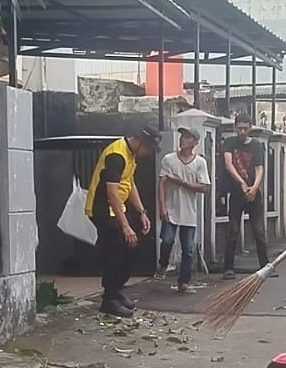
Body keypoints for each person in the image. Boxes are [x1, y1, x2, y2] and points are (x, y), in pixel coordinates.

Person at [85, 128, 158, 317]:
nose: (148, 153)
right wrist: (125, 226)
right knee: (115, 250)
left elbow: (129, 184)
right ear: (140, 142)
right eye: (148, 149)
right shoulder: (117, 155)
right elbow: (111, 193)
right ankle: (109, 299)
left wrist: (142, 212)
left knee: (132, 246)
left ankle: (116, 289)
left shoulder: (130, 154)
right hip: (102, 209)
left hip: (117, 209)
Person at [155, 128, 211, 293]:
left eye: (187, 137)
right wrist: (162, 206)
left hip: (189, 211)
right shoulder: (169, 159)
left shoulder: (199, 162)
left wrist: (182, 183)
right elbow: (162, 183)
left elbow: (204, 187)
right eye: (182, 136)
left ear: (195, 143)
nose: (183, 139)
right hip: (171, 208)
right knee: (167, 240)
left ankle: (183, 282)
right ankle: (163, 264)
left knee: (188, 249)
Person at [219, 113, 269, 279]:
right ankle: (228, 268)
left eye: (245, 128)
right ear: (235, 127)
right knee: (232, 230)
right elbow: (228, 164)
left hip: (253, 194)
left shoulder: (256, 145)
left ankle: (265, 266)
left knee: (259, 230)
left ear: (250, 128)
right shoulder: (229, 143)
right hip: (236, 193)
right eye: (239, 128)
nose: (242, 131)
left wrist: (254, 188)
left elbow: (260, 169)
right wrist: (241, 183)